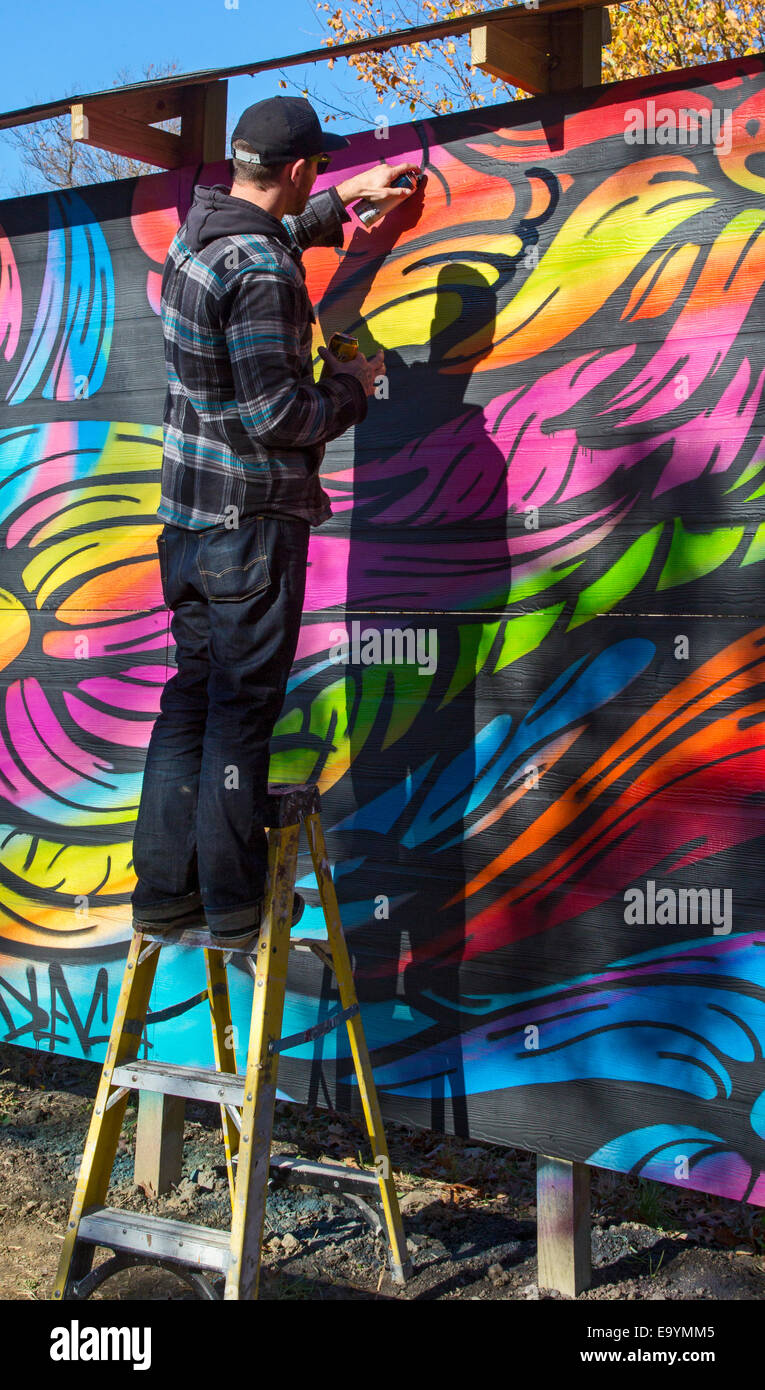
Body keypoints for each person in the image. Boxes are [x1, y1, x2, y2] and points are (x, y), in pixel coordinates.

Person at [130, 96, 418, 947]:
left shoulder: (198, 237)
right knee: (239, 713)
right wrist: (352, 389)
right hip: (249, 529)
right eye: (317, 167)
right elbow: (277, 416)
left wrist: (342, 201)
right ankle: (233, 903)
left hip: (189, 526)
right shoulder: (263, 271)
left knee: (191, 701)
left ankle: (165, 895)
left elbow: (264, 240)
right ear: (294, 167)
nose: (318, 177)